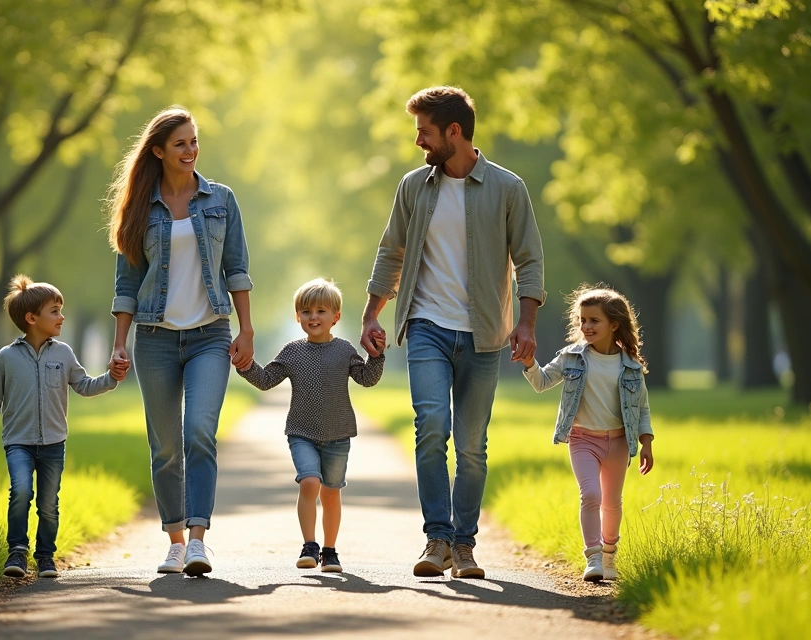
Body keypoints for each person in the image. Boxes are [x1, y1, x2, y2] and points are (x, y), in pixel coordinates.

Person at [361, 86, 545, 579]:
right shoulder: (413, 187)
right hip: (426, 325)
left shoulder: (508, 188)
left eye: (424, 131)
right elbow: (391, 251)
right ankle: (437, 538)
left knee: (471, 446)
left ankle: (465, 545)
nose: (419, 141)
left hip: (485, 333)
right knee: (430, 426)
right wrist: (371, 313)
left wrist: (525, 322)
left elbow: (529, 259)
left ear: (453, 132)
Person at [106, 107, 254, 577]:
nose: (191, 150)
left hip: (210, 334)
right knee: (166, 444)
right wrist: (119, 343)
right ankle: (173, 541)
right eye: (181, 144)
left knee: (199, 433)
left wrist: (246, 329)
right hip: (154, 340)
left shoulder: (221, 199)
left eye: (194, 141)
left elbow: (237, 268)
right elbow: (127, 283)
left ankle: (197, 541)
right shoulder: (139, 207)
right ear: (158, 151)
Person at [0, 275, 125, 579]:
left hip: (54, 443)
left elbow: (83, 385)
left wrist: (112, 378)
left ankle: (45, 557)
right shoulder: (7, 357)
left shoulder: (64, 353)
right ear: (31, 318)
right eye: (54, 310)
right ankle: (16, 551)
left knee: (48, 504)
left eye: (61, 309)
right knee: (21, 491)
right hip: (18, 442)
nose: (61, 316)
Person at [236, 278, 386, 573]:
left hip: (339, 434)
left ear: (336, 317)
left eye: (320, 311)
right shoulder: (292, 352)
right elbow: (266, 380)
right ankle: (310, 546)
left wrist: (376, 355)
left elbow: (367, 378)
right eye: (306, 312)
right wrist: (245, 366)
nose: (313, 317)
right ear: (297, 317)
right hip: (301, 432)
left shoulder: (344, 350)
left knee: (330, 492)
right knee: (309, 482)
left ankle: (330, 551)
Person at [518, 285, 654, 582]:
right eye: (582, 320)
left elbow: (641, 409)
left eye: (594, 321)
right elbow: (541, 382)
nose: (586, 326)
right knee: (591, 494)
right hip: (582, 439)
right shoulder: (572, 357)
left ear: (614, 325)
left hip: (618, 441)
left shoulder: (630, 365)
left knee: (612, 502)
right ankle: (593, 557)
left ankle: (609, 556)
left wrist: (646, 442)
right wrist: (529, 361)